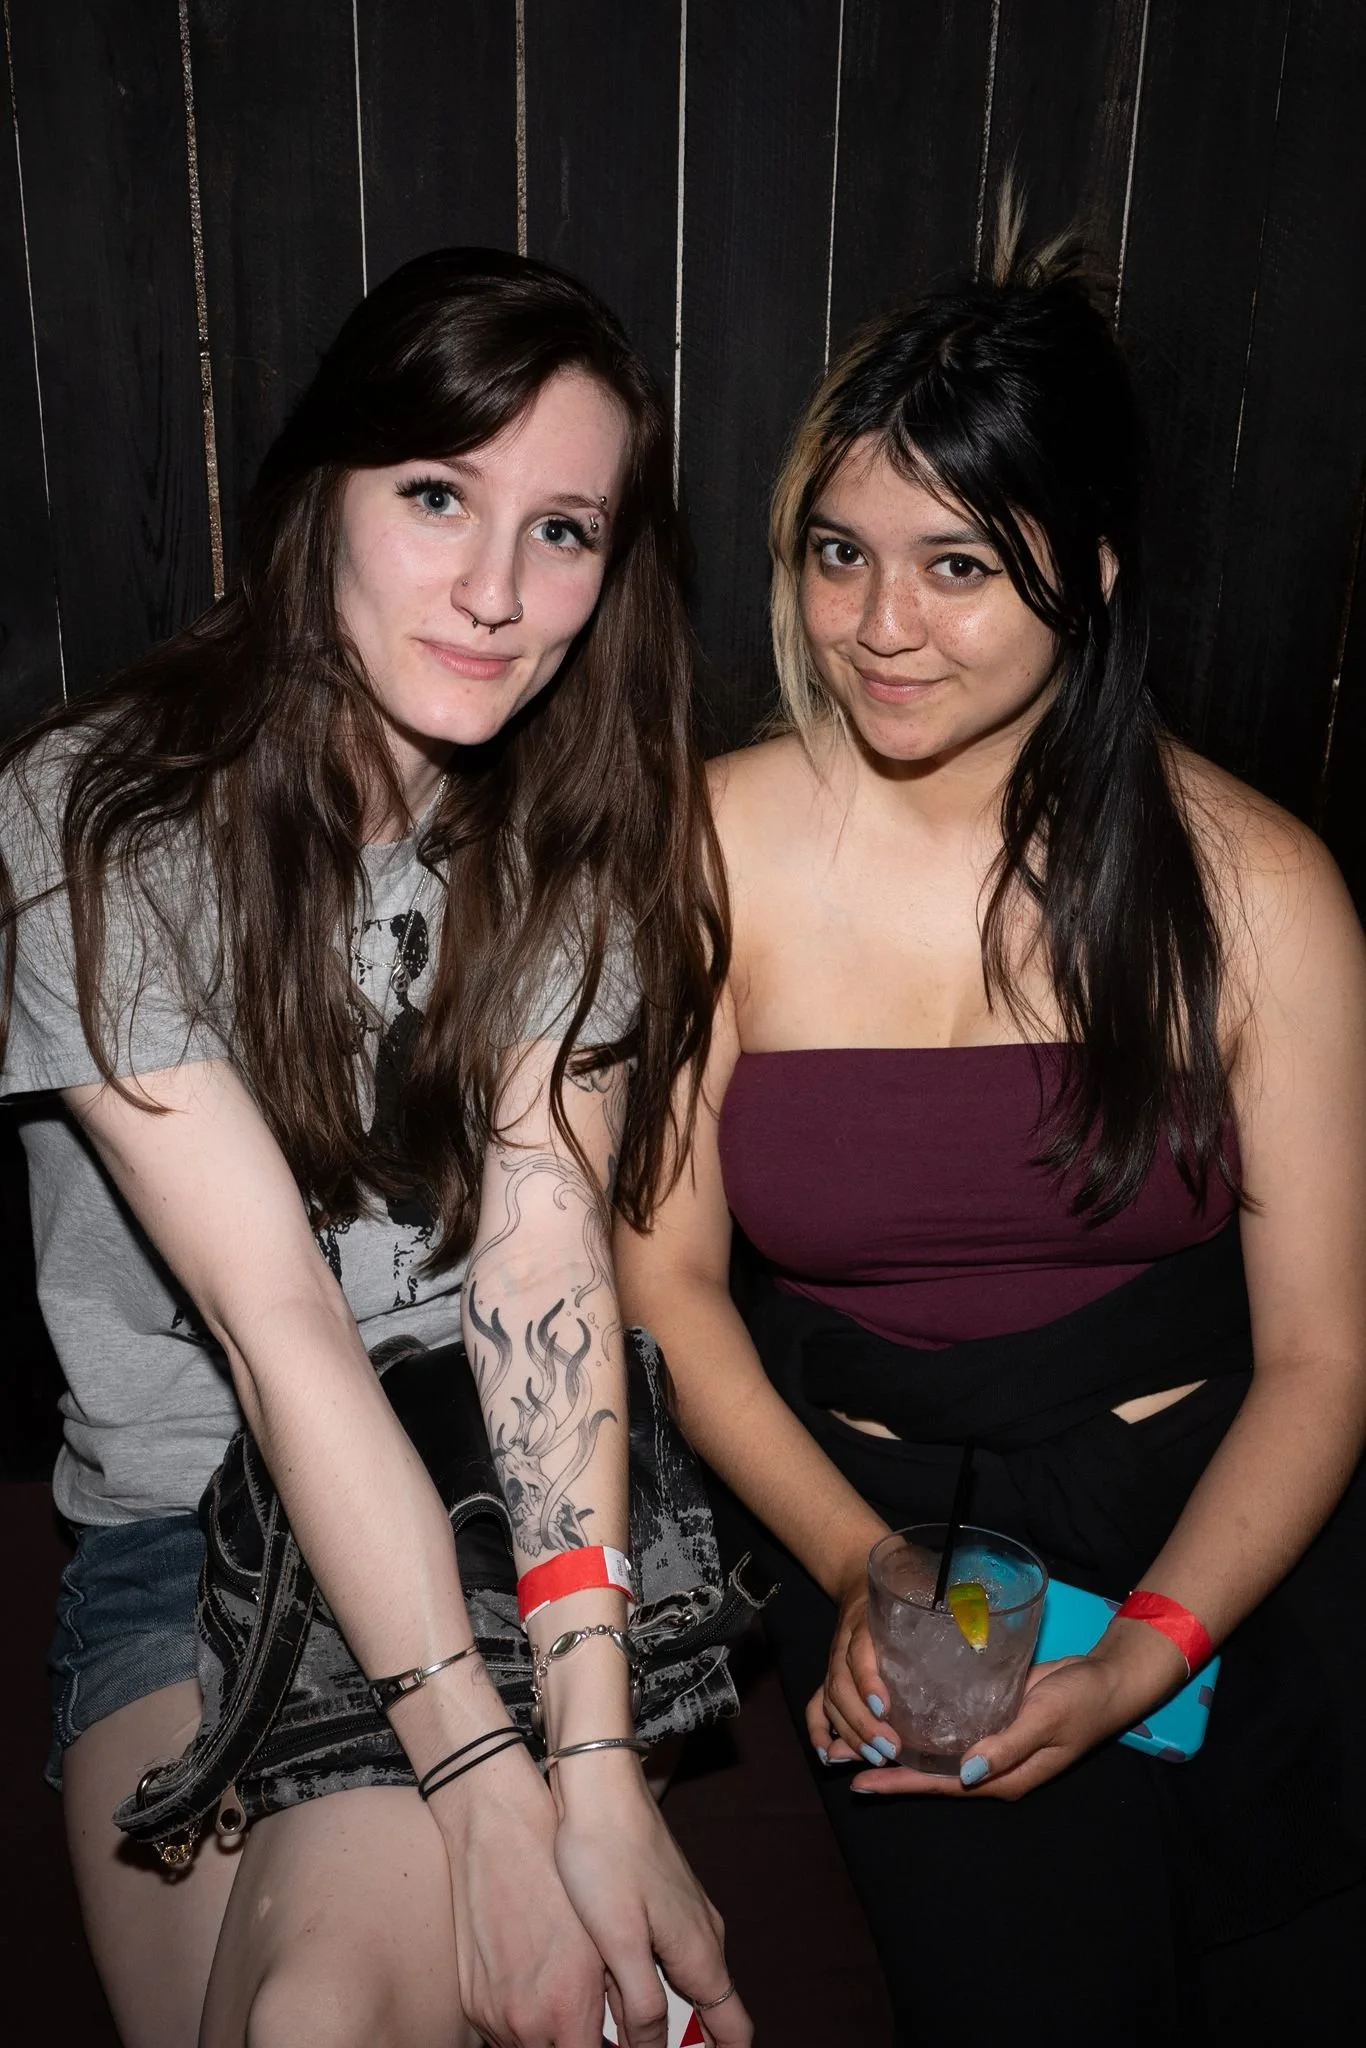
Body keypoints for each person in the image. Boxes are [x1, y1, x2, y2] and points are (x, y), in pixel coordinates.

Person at [615, 215, 1366, 2045]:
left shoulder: (1258, 888)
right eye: (838, 555)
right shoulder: (703, 851)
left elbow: (1323, 1356)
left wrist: (1141, 1656)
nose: (881, 626)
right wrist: (859, 1561)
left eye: (957, 564)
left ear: (1088, 572)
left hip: (1222, 1520)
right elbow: (667, 1285)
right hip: (894, 1531)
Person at [0, 247, 749, 2048]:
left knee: (376, 2005)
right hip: (184, 1521)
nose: (495, 591)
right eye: (437, 497)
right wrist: (481, 1787)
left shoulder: (577, 835)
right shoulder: (96, 822)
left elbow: (539, 1264)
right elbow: (279, 1333)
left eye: (561, 529)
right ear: (317, 497)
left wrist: (585, 1766)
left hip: (489, 1485)